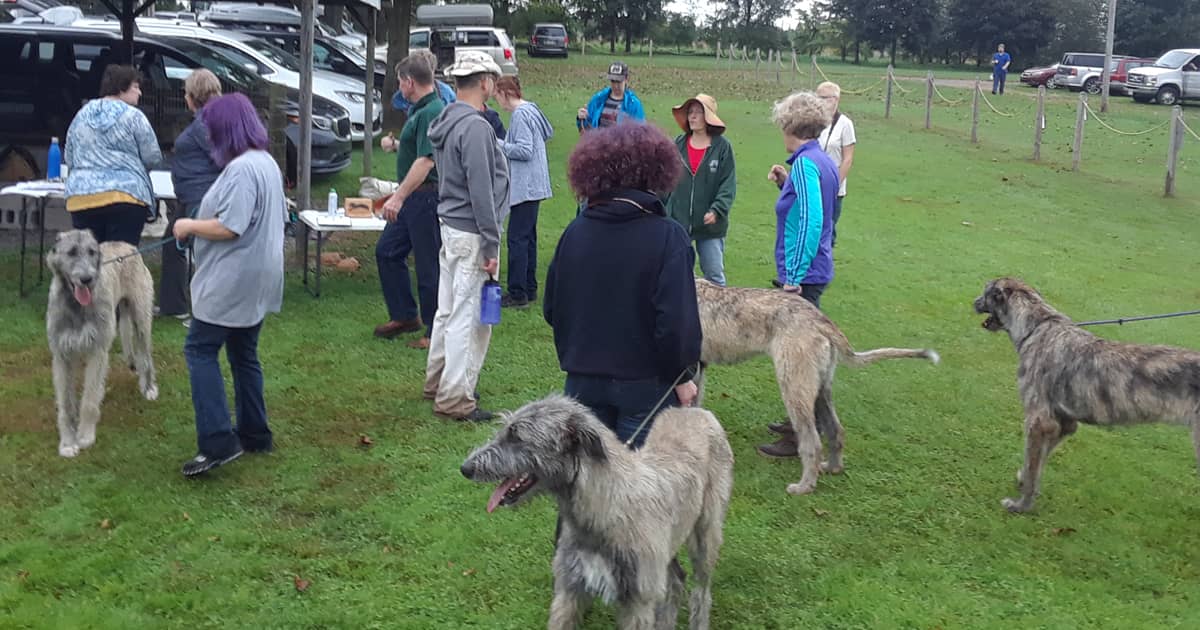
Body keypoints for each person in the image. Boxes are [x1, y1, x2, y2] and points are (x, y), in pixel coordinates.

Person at [544, 122, 702, 449]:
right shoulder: (668, 237)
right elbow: (677, 325)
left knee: (589, 487)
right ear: (656, 174)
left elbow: (552, 308)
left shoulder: (574, 233)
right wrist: (683, 376)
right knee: (640, 491)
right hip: (646, 386)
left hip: (582, 380)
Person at [171, 93, 285, 477]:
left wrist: (188, 226)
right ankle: (254, 433)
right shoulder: (265, 162)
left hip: (233, 279)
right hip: (258, 276)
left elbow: (230, 226)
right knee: (243, 352)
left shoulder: (240, 170)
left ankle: (218, 441)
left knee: (200, 349)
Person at [424, 51, 510, 422]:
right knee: (468, 316)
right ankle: (455, 397)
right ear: (485, 83)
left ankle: (438, 380)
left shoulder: (447, 117)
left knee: (448, 309)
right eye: (493, 79)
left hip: (453, 227)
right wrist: (491, 242)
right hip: (472, 232)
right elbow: (481, 190)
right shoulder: (475, 127)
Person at [760, 91, 839, 459]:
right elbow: (814, 208)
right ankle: (805, 425)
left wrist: (793, 275)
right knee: (806, 357)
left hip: (804, 274)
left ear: (790, 125)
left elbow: (811, 220)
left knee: (798, 361)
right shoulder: (818, 161)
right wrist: (785, 183)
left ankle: (801, 435)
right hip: (815, 266)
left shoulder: (808, 165)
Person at [375, 54, 448, 348]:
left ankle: (434, 332)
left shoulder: (432, 110)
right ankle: (405, 315)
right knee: (387, 251)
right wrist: (396, 146)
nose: (399, 87)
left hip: (425, 198)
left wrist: (397, 197)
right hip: (412, 198)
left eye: (400, 81)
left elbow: (426, 161)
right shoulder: (420, 110)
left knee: (429, 265)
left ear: (409, 82)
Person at [64, 64, 161, 246]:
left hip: (82, 198)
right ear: (121, 86)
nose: (139, 92)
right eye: (136, 87)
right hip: (125, 197)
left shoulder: (81, 114)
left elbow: (69, 157)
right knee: (120, 262)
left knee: (89, 262)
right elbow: (152, 157)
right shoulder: (134, 117)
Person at [162, 69, 223, 326]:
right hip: (189, 196)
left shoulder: (205, 123)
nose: (185, 97)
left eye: (186, 92)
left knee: (205, 254)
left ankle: (205, 314)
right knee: (171, 243)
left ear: (193, 96)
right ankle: (173, 305)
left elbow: (222, 158)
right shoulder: (205, 120)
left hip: (202, 197)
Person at [494, 76, 553, 309]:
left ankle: (517, 293)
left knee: (517, 238)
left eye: (497, 96)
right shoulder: (532, 109)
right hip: (536, 184)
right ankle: (529, 289)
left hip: (525, 185)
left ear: (505, 93)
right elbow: (546, 133)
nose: (497, 101)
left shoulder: (519, 115)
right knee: (528, 238)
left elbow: (525, 150)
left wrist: (499, 144)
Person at [665, 94, 736, 286]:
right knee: (678, 275)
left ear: (709, 118)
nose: (692, 117)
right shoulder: (677, 145)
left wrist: (717, 210)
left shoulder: (722, 148)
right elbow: (665, 181)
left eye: (698, 112)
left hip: (710, 227)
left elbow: (728, 185)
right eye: (690, 112)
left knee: (714, 278)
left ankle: (719, 317)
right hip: (678, 223)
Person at [815, 81, 857, 247]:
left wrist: (834, 184)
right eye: (817, 97)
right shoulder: (813, 121)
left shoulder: (845, 124)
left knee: (827, 229)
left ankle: (823, 268)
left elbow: (848, 159)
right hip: (812, 183)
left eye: (823, 98)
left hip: (833, 189)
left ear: (836, 99)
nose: (819, 102)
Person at [575, 61, 645, 132]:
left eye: (619, 81)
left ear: (626, 79)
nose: (615, 85)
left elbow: (640, 135)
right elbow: (586, 128)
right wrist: (581, 117)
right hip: (598, 142)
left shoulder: (634, 105)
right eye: (613, 81)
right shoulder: (598, 99)